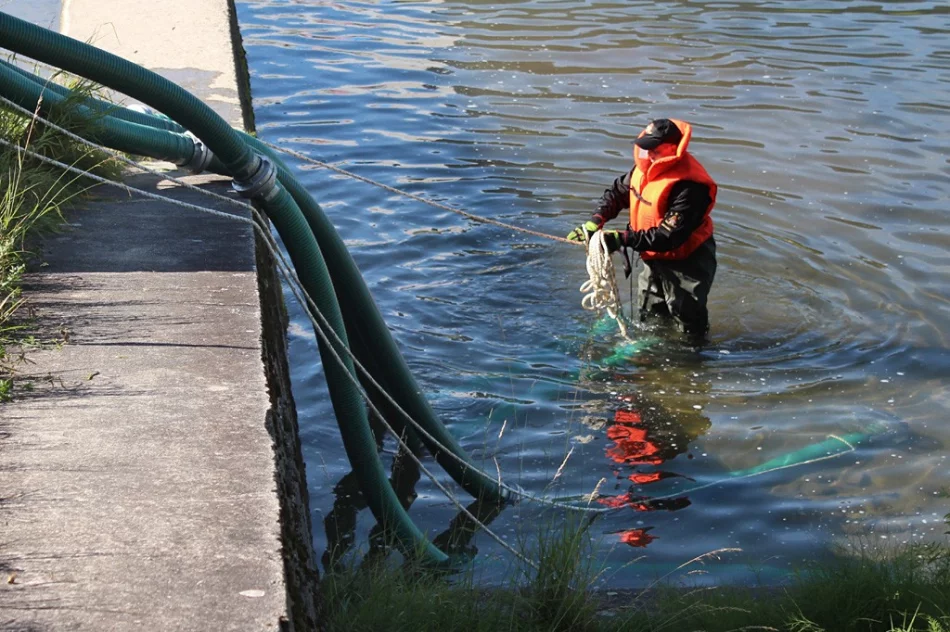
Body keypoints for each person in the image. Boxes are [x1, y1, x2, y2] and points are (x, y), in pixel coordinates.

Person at [568, 118, 718, 339]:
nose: (649, 153)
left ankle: (692, 354)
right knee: (650, 311)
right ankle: (650, 349)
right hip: (652, 256)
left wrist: (621, 239)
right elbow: (617, 193)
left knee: (688, 319)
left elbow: (668, 237)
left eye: (655, 148)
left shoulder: (690, 187)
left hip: (687, 260)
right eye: (646, 147)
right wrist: (595, 221)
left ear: (672, 148)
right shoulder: (644, 168)